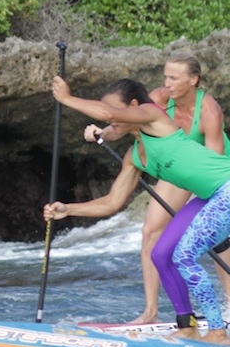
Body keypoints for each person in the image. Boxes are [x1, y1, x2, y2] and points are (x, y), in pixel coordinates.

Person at [45, 76, 230, 345]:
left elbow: (109, 112)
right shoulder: (135, 155)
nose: (112, 121)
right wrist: (68, 209)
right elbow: (112, 202)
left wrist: (67, 99)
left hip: (225, 188)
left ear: (133, 106)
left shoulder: (153, 116)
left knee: (184, 255)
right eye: (111, 118)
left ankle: (218, 332)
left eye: (120, 113)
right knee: (161, 254)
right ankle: (187, 326)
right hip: (210, 196)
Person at [93, 54, 230, 324]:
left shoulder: (208, 110)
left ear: (193, 80)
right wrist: (104, 132)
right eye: (165, 77)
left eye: (174, 78)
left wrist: (202, 200)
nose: (167, 84)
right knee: (151, 231)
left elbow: (212, 162)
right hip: (173, 166)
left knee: (219, 236)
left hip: (210, 170)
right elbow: (128, 119)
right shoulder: (158, 99)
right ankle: (150, 312)